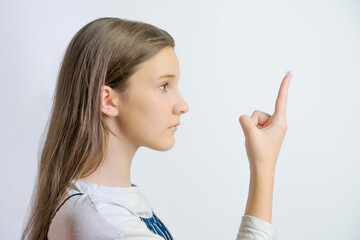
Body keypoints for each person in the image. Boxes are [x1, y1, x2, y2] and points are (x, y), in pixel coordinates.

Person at [21, 17, 292, 240]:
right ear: (108, 100)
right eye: (164, 86)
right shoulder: (105, 222)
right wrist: (264, 167)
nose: (183, 104)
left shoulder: (100, 205)